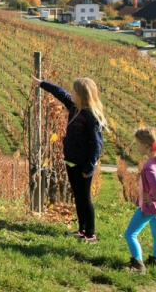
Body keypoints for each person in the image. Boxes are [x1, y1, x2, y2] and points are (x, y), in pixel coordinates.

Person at [32, 76, 106, 242]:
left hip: (83, 164)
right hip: (71, 160)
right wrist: (41, 84)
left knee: (85, 198)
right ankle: (82, 229)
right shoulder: (73, 107)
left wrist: (90, 166)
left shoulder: (91, 116)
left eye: (74, 90)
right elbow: (60, 92)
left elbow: (96, 143)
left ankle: (91, 233)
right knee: (77, 197)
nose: (70, 92)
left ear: (81, 95)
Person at [125, 127, 156, 274]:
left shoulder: (149, 167)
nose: (136, 146)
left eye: (137, 143)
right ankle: (155, 260)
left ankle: (138, 265)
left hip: (150, 206)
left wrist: (152, 198)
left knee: (130, 233)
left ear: (145, 146)